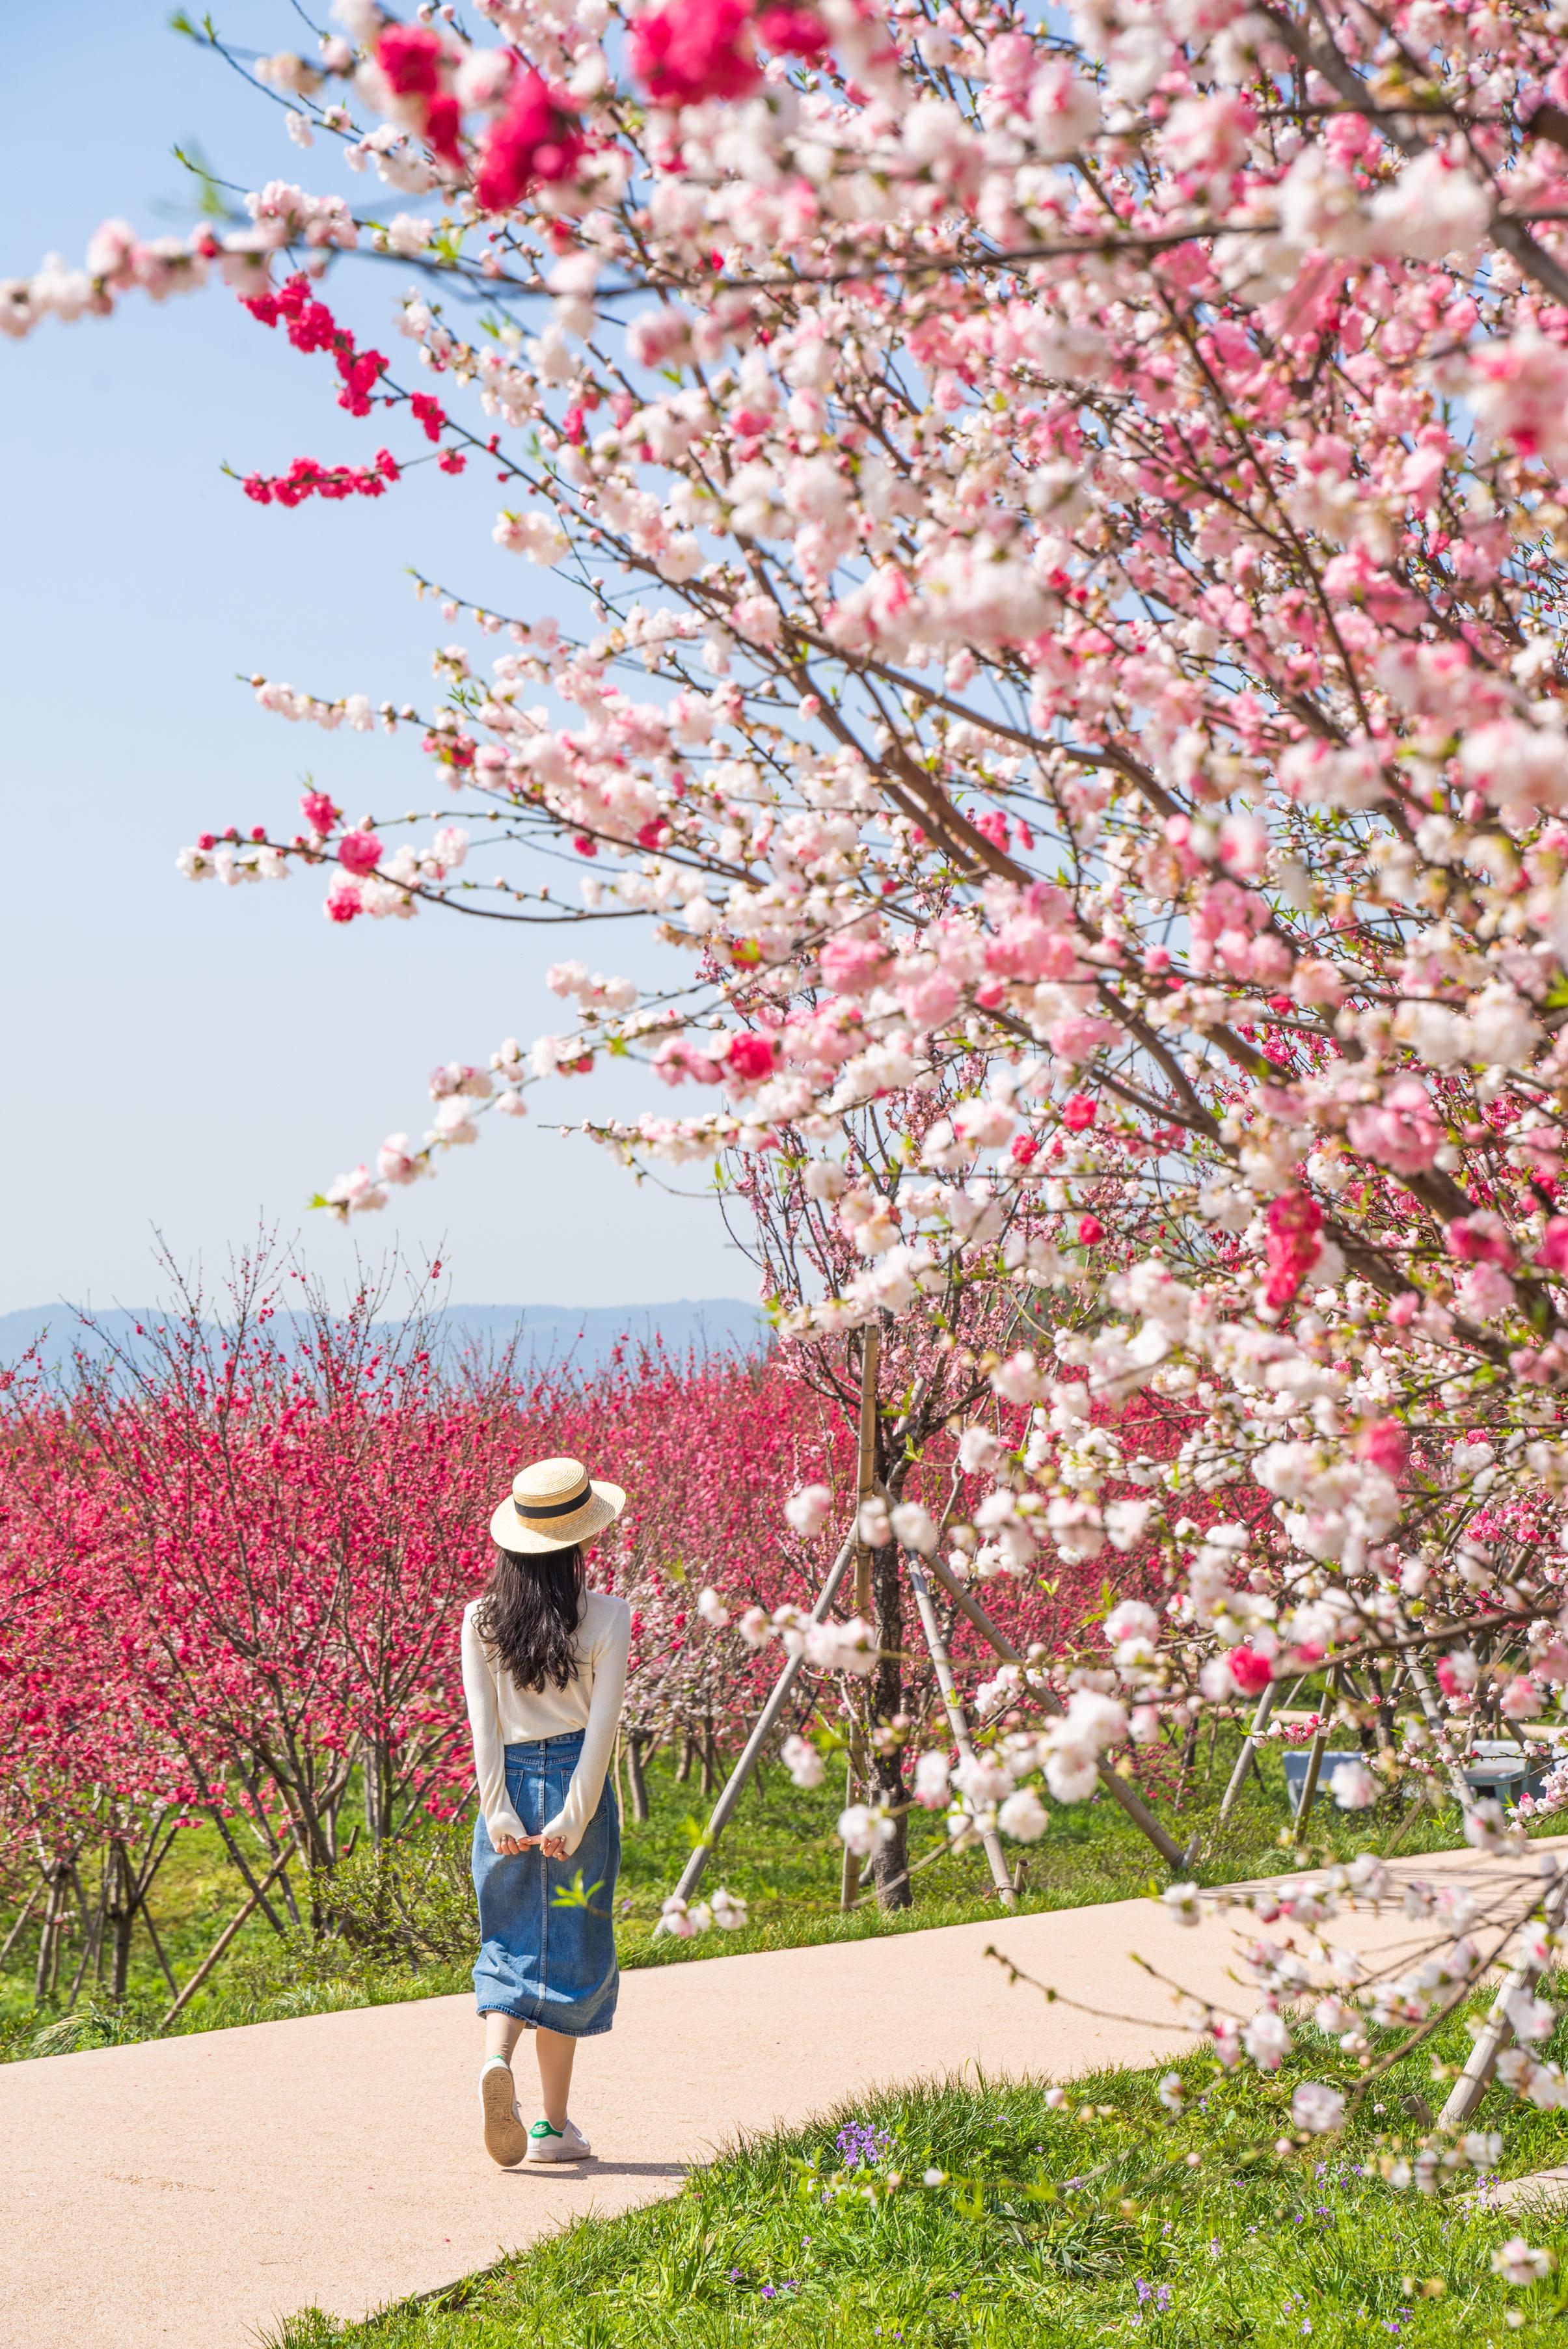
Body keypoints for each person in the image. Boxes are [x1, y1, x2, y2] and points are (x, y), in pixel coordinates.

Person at [461, 1454, 631, 2167]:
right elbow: (603, 1729)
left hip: (506, 1785)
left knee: (509, 1939)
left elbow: (484, 1725)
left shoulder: (479, 1618)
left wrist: (499, 1811)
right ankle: (552, 2129)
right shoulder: (609, 1615)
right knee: (568, 1949)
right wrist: (574, 1816)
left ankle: (496, 2059)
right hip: (572, 1783)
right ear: (580, 1542)